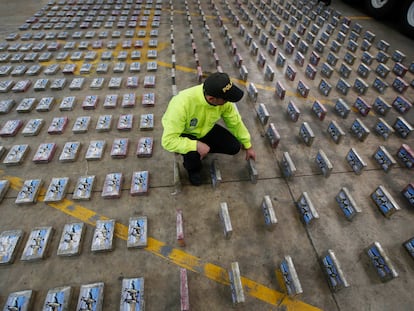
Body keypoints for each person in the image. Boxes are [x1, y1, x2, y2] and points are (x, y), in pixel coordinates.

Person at [161, 72, 256, 186]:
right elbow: (167, 141)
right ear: (211, 99)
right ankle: (193, 170)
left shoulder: (222, 101)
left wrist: (248, 144)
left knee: (234, 147)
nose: (228, 102)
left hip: (206, 129)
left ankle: (203, 150)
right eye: (226, 99)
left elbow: (235, 122)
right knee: (192, 158)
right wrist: (196, 145)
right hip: (185, 133)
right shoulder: (181, 105)